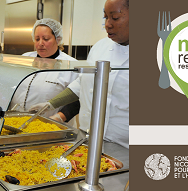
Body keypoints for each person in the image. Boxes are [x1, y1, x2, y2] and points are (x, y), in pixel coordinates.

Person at [29, 0, 129, 149]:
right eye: (105, 17)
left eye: (114, 18)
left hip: (125, 145)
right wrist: (51, 104)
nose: (108, 24)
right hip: (86, 137)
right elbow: (82, 83)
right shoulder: (100, 47)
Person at [12, 18, 79, 118]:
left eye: (46, 39)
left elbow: (78, 98)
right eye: (37, 39)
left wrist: (60, 117)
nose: (40, 43)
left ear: (58, 39)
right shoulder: (26, 57)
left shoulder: (70, 65)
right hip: (17, 120)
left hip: (50, 126)